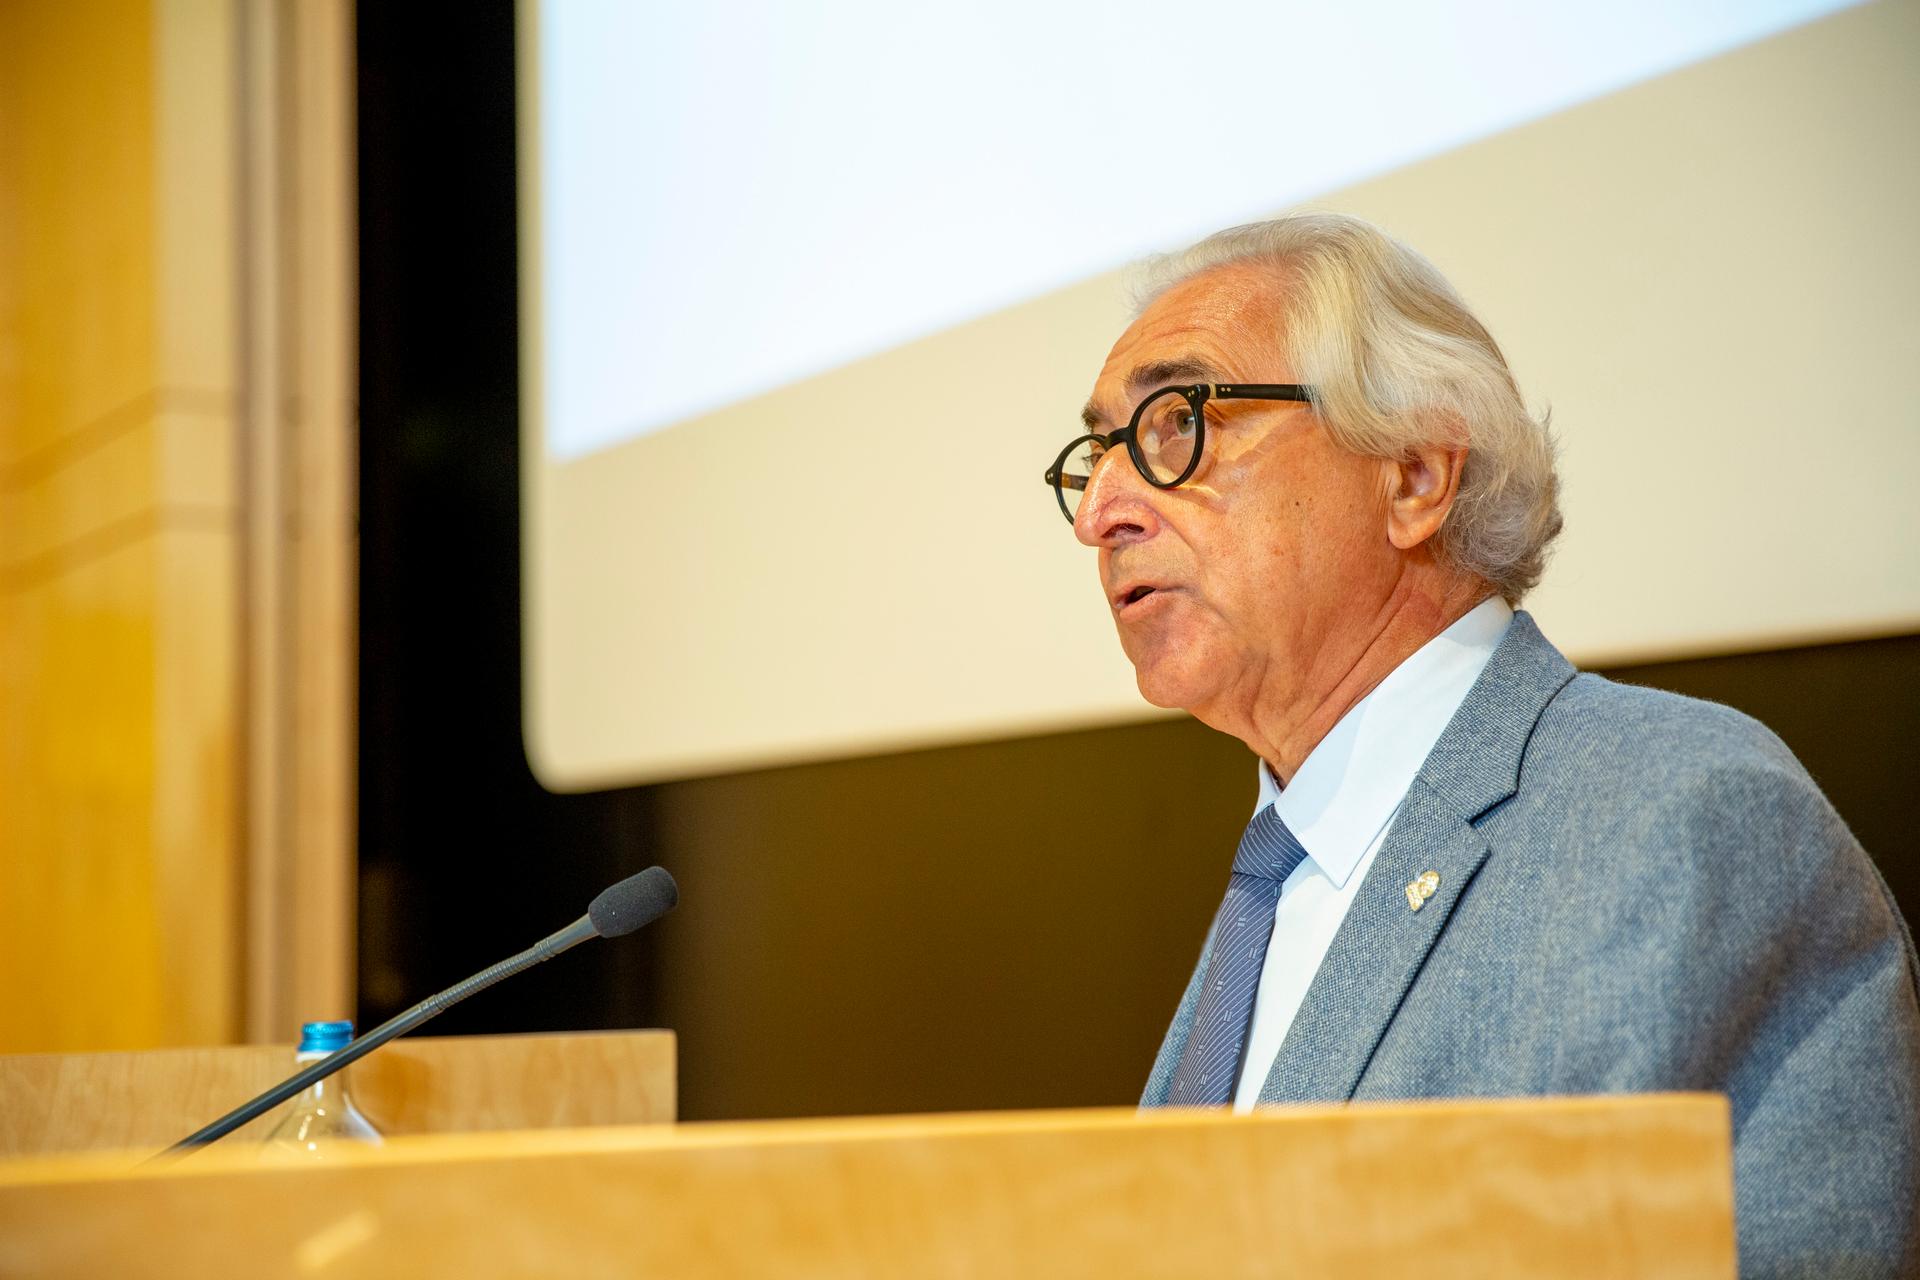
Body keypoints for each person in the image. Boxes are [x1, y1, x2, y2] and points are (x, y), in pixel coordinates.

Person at [1046, 212, 1919, 1277]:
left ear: (1415, 473)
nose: (1101, 510)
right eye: (1098, 452)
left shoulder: (1688, 819)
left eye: (1176, 422)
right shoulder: (1271, 885)